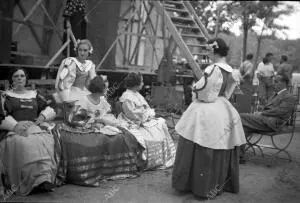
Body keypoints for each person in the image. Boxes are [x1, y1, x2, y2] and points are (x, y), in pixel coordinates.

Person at [172, 38, 246, 199]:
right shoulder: (231, 70)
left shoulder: (214, 69)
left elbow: (205, 92)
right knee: (220, 143)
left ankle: (196, 185)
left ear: (214, 51)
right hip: (223, 107)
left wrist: (194, 90)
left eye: (208, 51)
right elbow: (227, 93)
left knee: (199, 139)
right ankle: (215, 183)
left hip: (208, 107)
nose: (207, 54)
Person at [55, 76, 143, 186]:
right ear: (99, 89)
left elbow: (106, 114)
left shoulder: (102, 100)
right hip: (84, 127)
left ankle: (117, 168)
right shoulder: (84, 100)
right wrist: (92, 122)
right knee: (99, 140)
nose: (107, 90)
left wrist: (105, 121)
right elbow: (73, 118)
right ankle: (97, 170)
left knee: (121, 136)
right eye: (105, 88)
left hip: (100, 126)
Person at [0, 68, 57, 196]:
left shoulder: (34, 95)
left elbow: (48, 108)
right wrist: (16, 125)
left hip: (34, 128)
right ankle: (31, 181)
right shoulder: (5, 96)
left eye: (22, 76)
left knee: (45, 141)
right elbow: (2, 115)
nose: (19, 78)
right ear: (11, 79)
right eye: (16, 76)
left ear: (26, 78)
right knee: (25, 144)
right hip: (13, 130)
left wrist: (42, 117)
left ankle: (43, 179)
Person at [118, 72, 176, 170]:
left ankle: (164, 157)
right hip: (133, 120)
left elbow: (145, 108)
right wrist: (146, 115)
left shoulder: (136, 94)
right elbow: (132, 113)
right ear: (136, 84)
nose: (143, 84)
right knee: (154, 131)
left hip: (143, 118)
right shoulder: (127, 97)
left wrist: (148, 113)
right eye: (141, 82)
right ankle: (151, 160)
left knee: (161, 122)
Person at [240, 74, 297, 163]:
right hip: (264, 120)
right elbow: (268, 108)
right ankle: (239, 156)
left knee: (240, 117)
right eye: (274, 81)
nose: (274, 84)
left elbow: (280, 111)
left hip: (273, 123)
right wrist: (261, 108)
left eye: (276, 82)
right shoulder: (275, 95)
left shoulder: (289, 97)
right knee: (244, 128)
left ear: (284, 83)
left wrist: (262, 113)